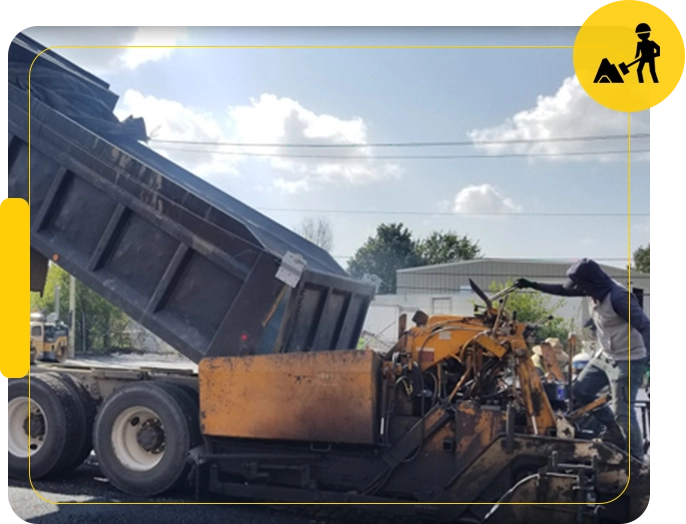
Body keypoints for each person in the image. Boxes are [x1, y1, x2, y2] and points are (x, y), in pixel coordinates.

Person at [515, 258, 651, 462]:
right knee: (581, 391)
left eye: (580, 286)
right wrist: (532, 285)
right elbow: (562, 290)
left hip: (629, 359)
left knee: (623, 413)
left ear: (589, 283)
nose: (578, 290)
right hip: (605, 356)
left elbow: (646, 326)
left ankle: (637, 461)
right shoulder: (593, 290)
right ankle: (613, 431)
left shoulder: (619, 298)